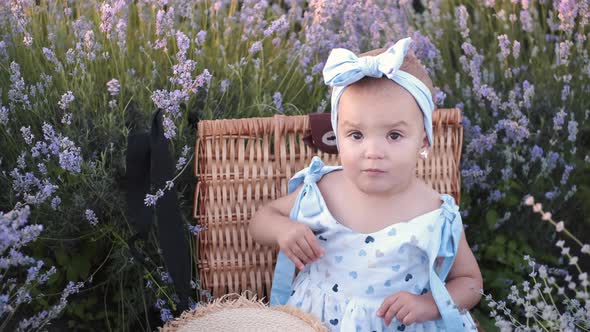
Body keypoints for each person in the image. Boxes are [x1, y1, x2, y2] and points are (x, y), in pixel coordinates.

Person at [248, 37, 483, 331]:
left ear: (423, 140)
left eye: (394, 136)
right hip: (319, 322)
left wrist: (428, 305)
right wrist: (284, 229)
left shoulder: (435, 212)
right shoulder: (322, 191)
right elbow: (260, 220)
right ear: (337, 135)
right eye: (356, 135)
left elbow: (470, 283)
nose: (372, 151)